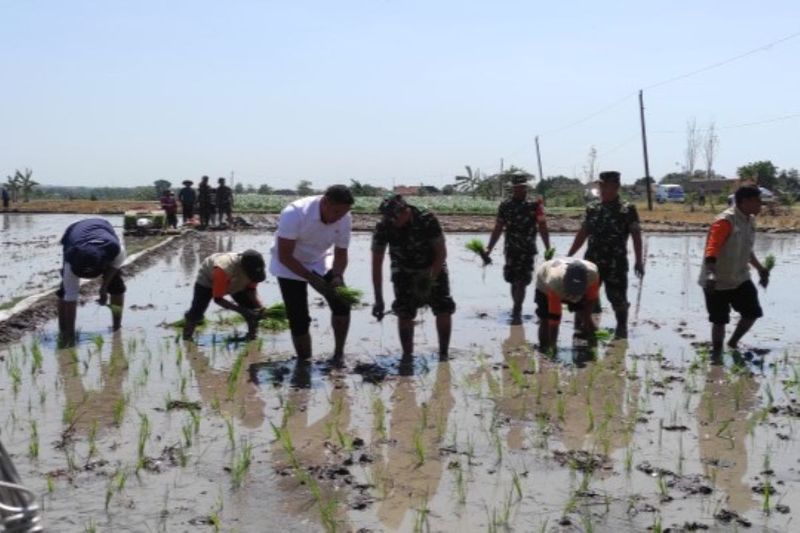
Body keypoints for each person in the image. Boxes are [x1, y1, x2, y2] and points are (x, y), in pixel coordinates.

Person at [269, 184, 354, 363]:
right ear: (325, 202)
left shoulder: (344, 217)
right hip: (289, 264)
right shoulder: (295, 213)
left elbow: (341, 252)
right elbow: (284, 255)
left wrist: (337, 275)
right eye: (336, 212)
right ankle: (304, 361)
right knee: (298, 316)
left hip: (320, 260)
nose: (339, 217)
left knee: (341, 303)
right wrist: (310, 278)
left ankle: (338, 354)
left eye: (343, 213)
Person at [371, 195, 455, 361]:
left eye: (396, 219)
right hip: (403, 270)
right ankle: (407, 356)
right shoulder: (383, 226)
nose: (394, 223)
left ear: (406, 211)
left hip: (432, 267)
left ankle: (444, 354)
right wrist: (378, 299)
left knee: (443, 307)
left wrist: (427, 281)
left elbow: (441, 254)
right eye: (390, 219)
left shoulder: (427, 219)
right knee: (404, 312)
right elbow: (376, 264)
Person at [567, 170, 644, 339]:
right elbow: (583, 233)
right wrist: (569, 255)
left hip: (616, 263)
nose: (601, 188)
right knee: (585, 296)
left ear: (615, 187)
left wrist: (639, 261)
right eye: (600, 185)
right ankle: (583, 330)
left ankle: (621, 330)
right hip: (592, 263)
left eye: (604, 185)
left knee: (618, 299)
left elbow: (636, 236)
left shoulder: (627, 209)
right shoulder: (593, 208)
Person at [699, 185, 769, 357]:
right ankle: (716, 354)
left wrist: (760, 269)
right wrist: (710, 274)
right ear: (745, 202)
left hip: (740, 278)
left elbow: (746, 250)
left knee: (752, 312)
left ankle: (733, 343)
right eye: (758, 201)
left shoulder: (749, 220)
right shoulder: (725, 221)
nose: (761, 205)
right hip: (717, 280)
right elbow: (712, 248)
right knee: (719, 320)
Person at [485, 171, 551, 324]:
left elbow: (542, 227)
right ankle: (516, 307)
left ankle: (517, 310)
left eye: (523, 187)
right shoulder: (506, 206)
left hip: (527, 250)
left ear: (526, 188)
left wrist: (548, 247)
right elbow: (498, 228)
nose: (521, 189)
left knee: (521, 281)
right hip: (511, 250)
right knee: (513, 281)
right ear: (513, 188)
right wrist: (489, 248)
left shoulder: (535, 206)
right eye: (517, 187)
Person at [57, 218, 126, 346]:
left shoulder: (115, 251)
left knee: (116, 286)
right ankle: (65, 331)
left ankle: (117, 326)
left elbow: (115, 267)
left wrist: (104, 287)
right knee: (65, 291)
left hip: (103, 228)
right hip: (74, 232)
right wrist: (70, 338)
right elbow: (70, 297)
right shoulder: (71, 257)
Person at [182, 250, 267, 341]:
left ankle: (252, 336)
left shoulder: (255, 270)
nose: (253, 278)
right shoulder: (223, 268)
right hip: (208, 281)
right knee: (196, 312)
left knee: (252, 308)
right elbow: (218, 299)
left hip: (235, 280)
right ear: (244, 268)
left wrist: (260, 307)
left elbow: (251, 290)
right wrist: (243, 311)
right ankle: (187, 338)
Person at [534, 257, 600, 351]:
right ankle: (544, 347)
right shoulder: (554, 283)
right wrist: (553, 349)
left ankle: (592, 344)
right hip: (544, 284)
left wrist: (586, 321)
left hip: (570, 281)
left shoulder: (592, 275)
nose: (573, 297)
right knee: (545, 319)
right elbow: (554, 321)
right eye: (571, 293)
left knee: (584, 314)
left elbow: (591, 300)